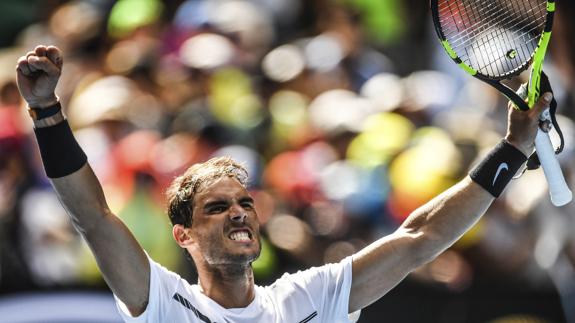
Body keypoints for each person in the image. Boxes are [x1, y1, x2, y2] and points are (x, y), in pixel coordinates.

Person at [15, 45, 552, 323]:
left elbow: (422, 238)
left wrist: (510, 152)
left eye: (244, 202)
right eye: (216, 208)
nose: (239, 212)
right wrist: (46, 113)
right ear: (183, 236)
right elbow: (93, 215)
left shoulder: (308, 298)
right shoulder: (159, 301)